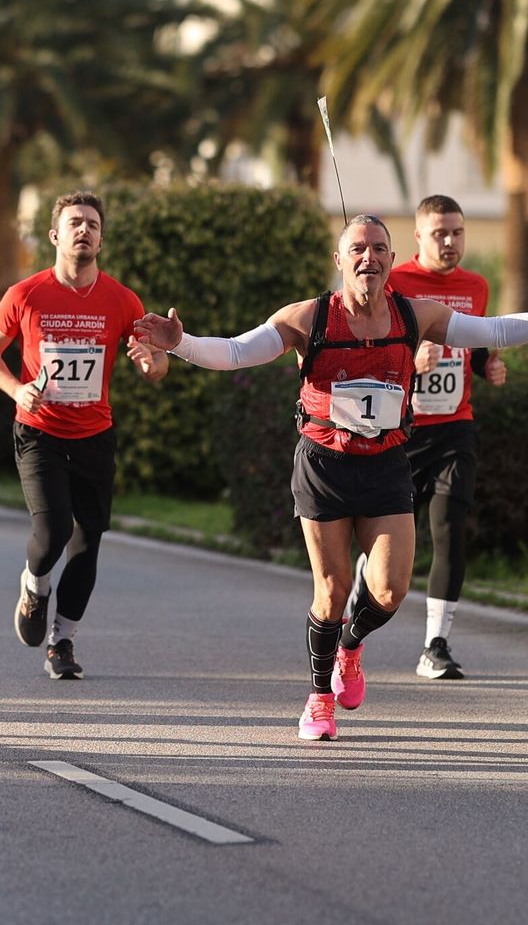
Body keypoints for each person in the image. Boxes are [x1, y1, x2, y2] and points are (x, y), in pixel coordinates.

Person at [135, 214, 528, 740]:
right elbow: (234, 352)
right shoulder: (310, 318)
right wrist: (181, 343)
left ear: (392, 261)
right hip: (325, 465)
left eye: (379, 249)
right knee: (333, 589)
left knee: (388, 590)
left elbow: (496, 330)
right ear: (340, 260)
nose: (369, 257)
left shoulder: (416, 315)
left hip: (387, 462)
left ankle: (350, 648)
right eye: (358, 249)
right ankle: (319, 700)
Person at [0, 191, 167, 680]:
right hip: (39, 431)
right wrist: (17, 391)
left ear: (101, 239)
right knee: (54, 528)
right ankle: (35, 587)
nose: (84, 230)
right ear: (55, 235)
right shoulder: (26, 294)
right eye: (75, 222)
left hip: (94, 434)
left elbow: (152, 361)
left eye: (93, 225)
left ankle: (62, 643)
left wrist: (150, 361)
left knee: (88, 542)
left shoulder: (123, 300)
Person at [385, 196, 507, 680]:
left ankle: (436, 645)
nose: (451, 242)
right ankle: (357, 604)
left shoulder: (475, 286)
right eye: (440, 233)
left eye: (457, 232)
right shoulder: (396, 284)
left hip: (456, 427)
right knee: (390, 544)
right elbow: (378, 348)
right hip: (403, 431)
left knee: (450, 530)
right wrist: (411, 362)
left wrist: (487, 364)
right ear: (418, 237)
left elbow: (474, 345)